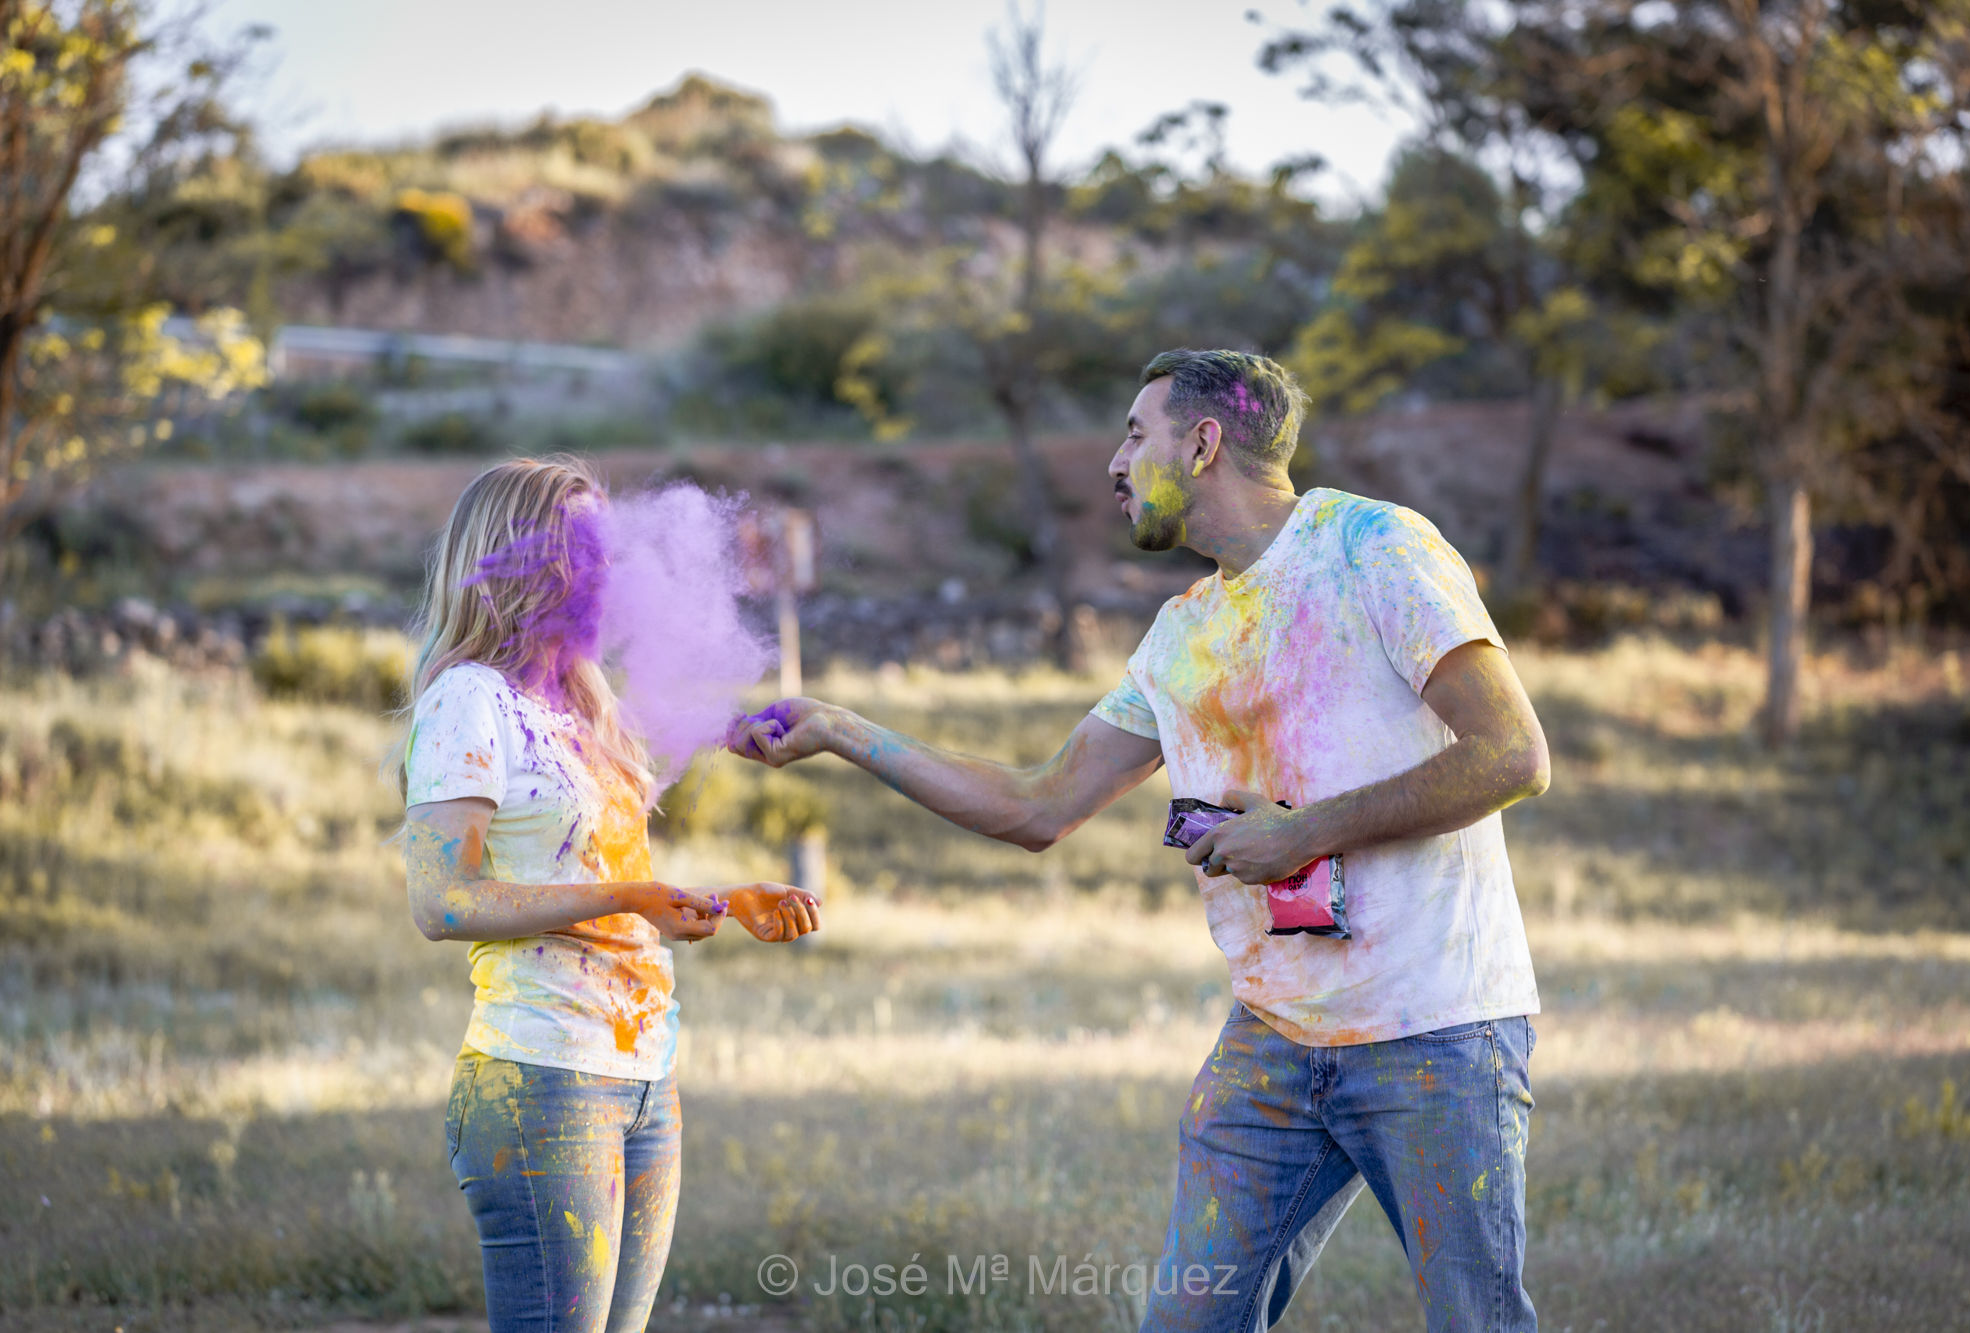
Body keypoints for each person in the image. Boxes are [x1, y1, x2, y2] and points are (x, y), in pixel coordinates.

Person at [732, 350, 1549, 1332]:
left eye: (1132, 433)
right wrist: (840, 731)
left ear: (1203, 442)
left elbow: (1511, 753)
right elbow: (1037, 805)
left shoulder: (1372, 545)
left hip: (1436, 1027)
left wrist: (1302, 833)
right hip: (1272, 1041)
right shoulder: (1178, 634)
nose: (1113, 465)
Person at [398, 456, 821, 1333]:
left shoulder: (584, 706)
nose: (608, 568)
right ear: (515, 558)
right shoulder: (469, 702)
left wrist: (719, 898)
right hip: (541, 1081)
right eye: (581, 545)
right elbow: (442, 902)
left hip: (640, 1077)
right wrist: (633, 892)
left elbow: (590, 884)